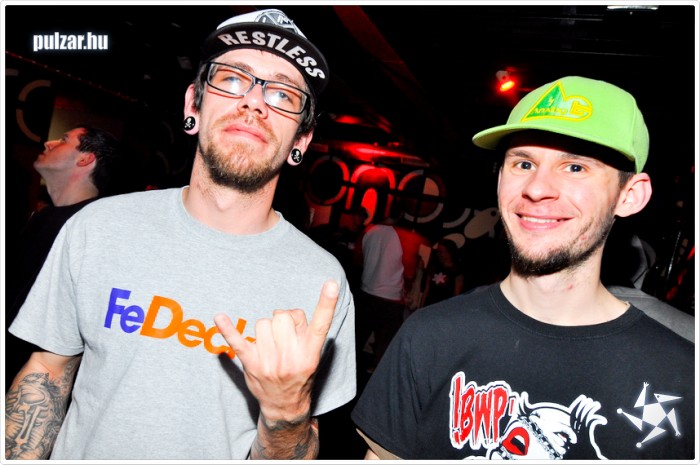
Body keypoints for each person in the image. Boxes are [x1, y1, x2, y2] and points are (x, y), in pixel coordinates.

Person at [6, 9, 355, 460]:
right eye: (233, 79)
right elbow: (47, 372)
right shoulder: (97, 227)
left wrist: (286, 415)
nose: (254, 102)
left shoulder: (321, 282)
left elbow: (297, 446)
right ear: (193, 105)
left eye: (283, 93)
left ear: (301, 141)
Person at [351, 76, 694, 459]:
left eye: (575, 167)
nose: (536, 188)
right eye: (524, 163)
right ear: (500, 177)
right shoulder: (428, 336)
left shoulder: (682, 376)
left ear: (629, 196)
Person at [4, 124, 125, 387]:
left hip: (32, 377)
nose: (48, 143)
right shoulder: (44, 216)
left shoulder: (96, 227)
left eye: (63, 139)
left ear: (85, 159)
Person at [353, 202, 427, 375]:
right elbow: (409, 272)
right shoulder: (406, 237)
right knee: (385, 343)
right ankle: (378, 379)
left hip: (366, 293)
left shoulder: (368, 231)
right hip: (391, 299)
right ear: (401, 215)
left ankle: (347, 373)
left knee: (357, 337)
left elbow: (357, 260)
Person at [419, 238, 466, 308]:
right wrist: (421, 308)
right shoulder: (434, 267)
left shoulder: (457, 271)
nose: (438, 254)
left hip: (443, 308)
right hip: (429, 306)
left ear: (449, 253)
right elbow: (426, 290)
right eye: (437, 251)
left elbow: (456, 294)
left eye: (440, 252)